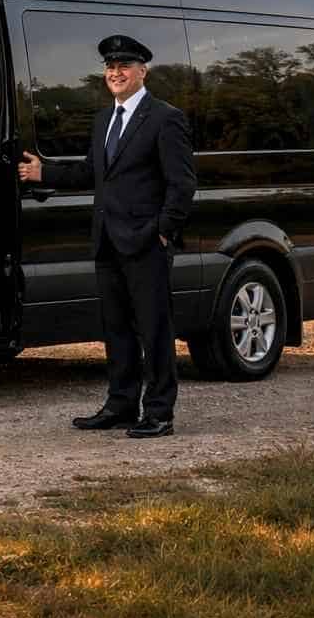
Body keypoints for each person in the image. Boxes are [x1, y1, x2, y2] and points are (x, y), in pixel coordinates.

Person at [17, 34, 196, 438]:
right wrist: (43, 173)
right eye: (110, 67)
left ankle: (159, 413)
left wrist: (162, 233)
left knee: (155, 330)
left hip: (146, 243)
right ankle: (120, 405)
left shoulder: (165, 118)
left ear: (142, 71)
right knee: (116, 330)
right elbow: (91, 172)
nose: (116, 72)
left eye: (124, 66)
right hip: (108, 242)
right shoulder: (103, 121)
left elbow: (182, 186)